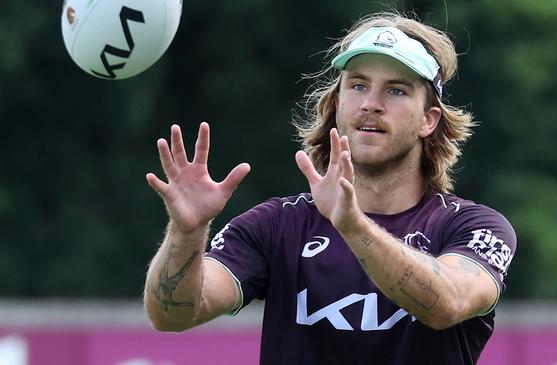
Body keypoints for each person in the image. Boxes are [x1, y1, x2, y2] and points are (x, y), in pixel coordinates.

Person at [143, 11, 516, 365]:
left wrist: (352, 226)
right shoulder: (278, 225)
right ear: (337, 103)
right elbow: (172, 314)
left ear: (429, 120)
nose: (371, 104)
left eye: (397, 91)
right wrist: (187, 232)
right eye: (358, 85)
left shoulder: (474, 227)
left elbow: (447, 302)